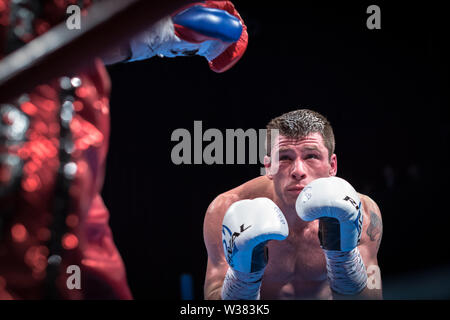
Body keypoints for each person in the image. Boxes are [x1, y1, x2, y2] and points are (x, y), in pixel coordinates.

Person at [0, 0, 247, 299]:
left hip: (59, 129)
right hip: (35, 135)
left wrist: (161, 33)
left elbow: (68, 27)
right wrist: (161, 33)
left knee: (94, 277)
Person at [203, 109, 383, 299]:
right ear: (268, 167)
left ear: (332, 166)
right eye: (284, 157)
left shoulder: (361, 212)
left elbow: (371, 296)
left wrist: (344, 259)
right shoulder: (226, 210)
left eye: (311, 156)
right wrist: (242, 279)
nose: (298, 171)